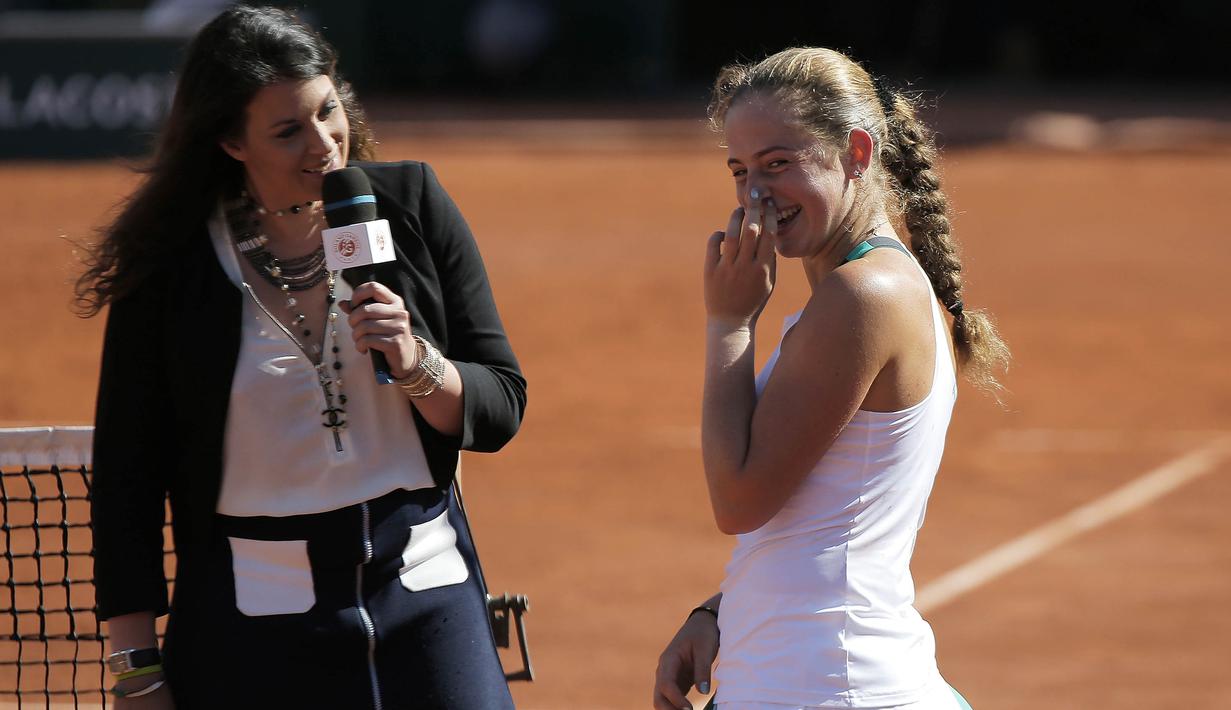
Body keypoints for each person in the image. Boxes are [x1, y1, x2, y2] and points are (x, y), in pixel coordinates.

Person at [76, 6, 525, 708]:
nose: (324, 145)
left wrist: (415, 363)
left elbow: (500, 406)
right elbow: (129, 474)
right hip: (253, 617)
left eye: (327, 111)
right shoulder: (171, 267)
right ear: (230, 141)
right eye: (288, 130)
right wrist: (136, 666)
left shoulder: (410, 206)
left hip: (424, 591)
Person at [652, 47, 1009, 710]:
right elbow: (824, 520)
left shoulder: (863, 296)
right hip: (818, 677)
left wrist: (728, 324)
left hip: (829, 686)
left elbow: (738, 502)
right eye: (739, 170)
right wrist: (719, 611)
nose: (753, 193)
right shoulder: (861, 292)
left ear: (856, 152)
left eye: (778, 164)